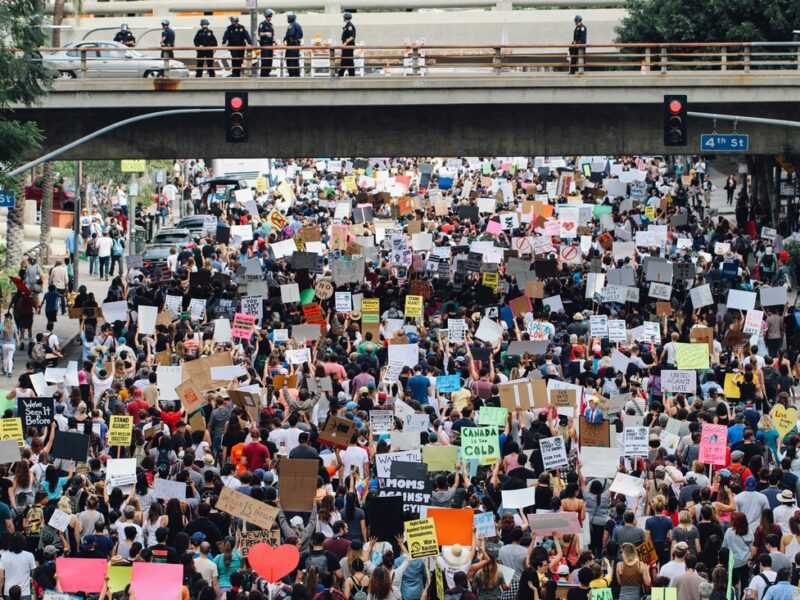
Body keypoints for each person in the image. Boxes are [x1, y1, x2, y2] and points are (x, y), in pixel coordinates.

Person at [284, 12, 303, 77]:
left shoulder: (291, 26)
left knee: (290, 61)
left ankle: (292, 77)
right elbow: (301, 35)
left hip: (291, 46)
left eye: (288, 18)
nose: (287, 19)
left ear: (290, 18)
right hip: (297, 46)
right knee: (296, 61)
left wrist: (285, 40)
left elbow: (290, 35)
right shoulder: (298, 25)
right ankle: (297, 76)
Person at [338, 12, 356, 77]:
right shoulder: (347, 25)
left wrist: (345, 43)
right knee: (348, 61)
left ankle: (341, 74)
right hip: (347, 47)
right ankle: (351, 75)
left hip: (348, 47)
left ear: (345, 18)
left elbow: (351, 37)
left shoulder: (350, 26)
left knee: (346, 60)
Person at [258, 9, 275, 77]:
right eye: (268, 16)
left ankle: (267, 73)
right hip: (265, 44)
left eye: (270, 17)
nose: (270, 18)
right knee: (265, 60)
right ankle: (263, 74)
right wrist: (265, 33)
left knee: (270, 60)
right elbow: (260, 34)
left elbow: (272, 35)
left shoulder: (271, 25)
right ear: (266, 16)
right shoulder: (262, 24)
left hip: (270, 44)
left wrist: (275, 41)